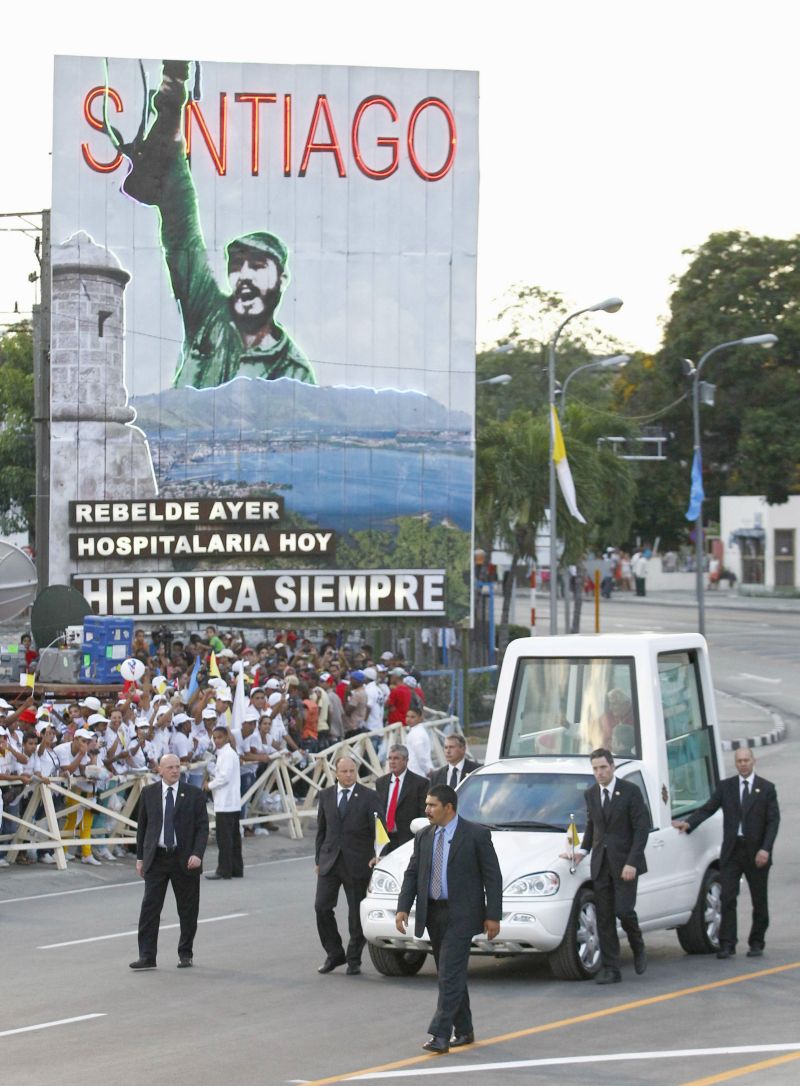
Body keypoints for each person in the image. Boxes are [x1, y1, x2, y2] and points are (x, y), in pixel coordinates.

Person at [114, 60, 315, 390]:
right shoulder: (209, 313)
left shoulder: (293, 371)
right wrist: (173, 100)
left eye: (258, 265)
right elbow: (182, 228)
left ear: (283, 278)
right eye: (237, 265)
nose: (245, 275)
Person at [396, 784, 502, 1053]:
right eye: (427, 805)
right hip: (434, 913)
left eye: (432, 805)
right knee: (450, 974)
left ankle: (440, 1034)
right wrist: (403, 907)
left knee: (448, 976)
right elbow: (412, 873)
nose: (427, 810)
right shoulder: (424, 836)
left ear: (449, 808)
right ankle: (464, 1030)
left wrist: (493, 916)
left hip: (462, 914)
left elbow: (493, 877)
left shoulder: (476, 835)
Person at [672, 747, 780, 959]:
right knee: (728, 897)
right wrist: (688, 823)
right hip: (732, 851)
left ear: (753, 761)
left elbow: (773, 822)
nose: (743, 764)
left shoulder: (766, 789)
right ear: (736, 763)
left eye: (746, 760)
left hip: (756, 852)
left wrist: (765, 849)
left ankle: (757, 941)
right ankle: (727, 943)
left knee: (759, 900)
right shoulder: (727, 787)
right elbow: (708, 808)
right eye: (739, 761)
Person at [562, 748, 649, 984]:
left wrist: (632, 861)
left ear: (612, 767)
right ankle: (612, 968)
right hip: (601, 864)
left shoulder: (630, 792)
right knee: (605, 916)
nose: (599, 773)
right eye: (595, 769)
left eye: (603, 767)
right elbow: (593, 826)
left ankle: (637, 944)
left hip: (625, 864)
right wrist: (582, 851)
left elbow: (642, 830)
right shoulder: (591, 794)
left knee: (623, 910)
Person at [131, 753, 209, 969]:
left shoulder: (193, 794)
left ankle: (185, 953)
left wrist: (198, 854)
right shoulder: (149, 793)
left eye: (178, 767)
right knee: (150, 908)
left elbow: (203, 827)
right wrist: (140, 858)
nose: (175, 771)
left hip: (184, 859)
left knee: (187, 908)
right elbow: (143, 828)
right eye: (171, 767)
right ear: (160, 770)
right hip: (156, 858)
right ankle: (147, 956)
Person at [314, 754, 381, 976]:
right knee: (322, 907)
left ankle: (354, 958)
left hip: (357, 862)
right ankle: (334, 953)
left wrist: (377, 854)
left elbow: (379, 831)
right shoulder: (325, 796)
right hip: (330, 861)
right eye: (344, 771)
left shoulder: (369, 797)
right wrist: (318, 860)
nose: (349, 775)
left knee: (355, 914)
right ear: (336, 773)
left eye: (352, 771)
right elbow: (322, 831)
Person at [204, 726, 243, 880]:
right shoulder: (227, 754)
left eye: (219, 737)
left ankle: (224, 870)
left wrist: (209, 785)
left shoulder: (227, 754)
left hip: (226, 802)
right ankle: (236, 868)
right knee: (233, 837)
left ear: (226, 737)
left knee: (225, 838)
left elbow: (224, 777)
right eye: (214, 738)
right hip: (231, 802)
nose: (217, 741)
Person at [375, 744, 428, 852]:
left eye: (396, 758)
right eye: (390, 758)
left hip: (407, 840)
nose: (392, 762)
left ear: (406, 760)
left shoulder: (420, 783)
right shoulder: (381, 782)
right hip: (384, 840)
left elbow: (423, 814)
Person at [404, 706, 433, 778]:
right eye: (407, 716)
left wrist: (427, 770)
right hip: (415, 771)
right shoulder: (415, 731)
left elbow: (420, 754)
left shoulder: (417, 733)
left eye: (413, 717)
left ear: (420, 718)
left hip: (418, 772)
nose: (409, 719)